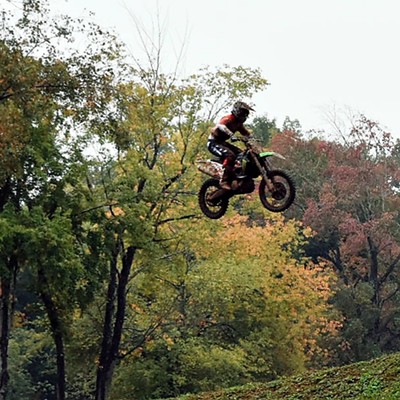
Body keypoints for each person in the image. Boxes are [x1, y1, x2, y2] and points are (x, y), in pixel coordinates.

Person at [207, 101, 254, 190]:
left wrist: (253, 138)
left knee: (241, 154)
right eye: (242, 112)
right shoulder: (229, 118)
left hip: (222, 143)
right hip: (213, 143)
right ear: (236, 110)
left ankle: (235, 175)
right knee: (230, 155)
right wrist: (231, 135)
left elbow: (246, 133)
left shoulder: (238, 124)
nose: (243, 115)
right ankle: (223, 180)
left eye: (245, 114)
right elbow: (221, 126)